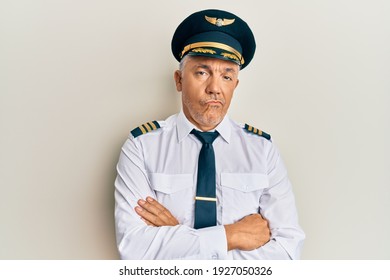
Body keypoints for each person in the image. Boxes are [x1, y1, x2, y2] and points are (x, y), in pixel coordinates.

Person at [114, 9, 305, 260]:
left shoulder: (263, 151)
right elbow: (134, 249)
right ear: (179, 80)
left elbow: (287, 252)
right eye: (202, 72)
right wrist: (231, 236)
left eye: (226, 76)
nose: (215, 88)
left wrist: (179, 238)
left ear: (235, 85)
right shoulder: (141, 147)